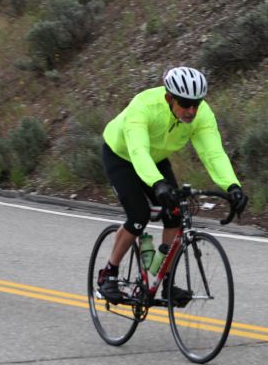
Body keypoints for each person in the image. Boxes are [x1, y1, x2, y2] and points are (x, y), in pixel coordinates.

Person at [97, 66, 248, 303]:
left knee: (176, 214)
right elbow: (138, 151)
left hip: (155, 159)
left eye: (196, 104)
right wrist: (157, 183)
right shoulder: (144, 106)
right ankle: (109, 274)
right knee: (139, 215)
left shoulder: (201, 114)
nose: (191, 110)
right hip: (121, 156)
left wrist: (232, 186)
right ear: (169, 98)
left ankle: (164, 281)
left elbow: (213, 153)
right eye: (185, 103)